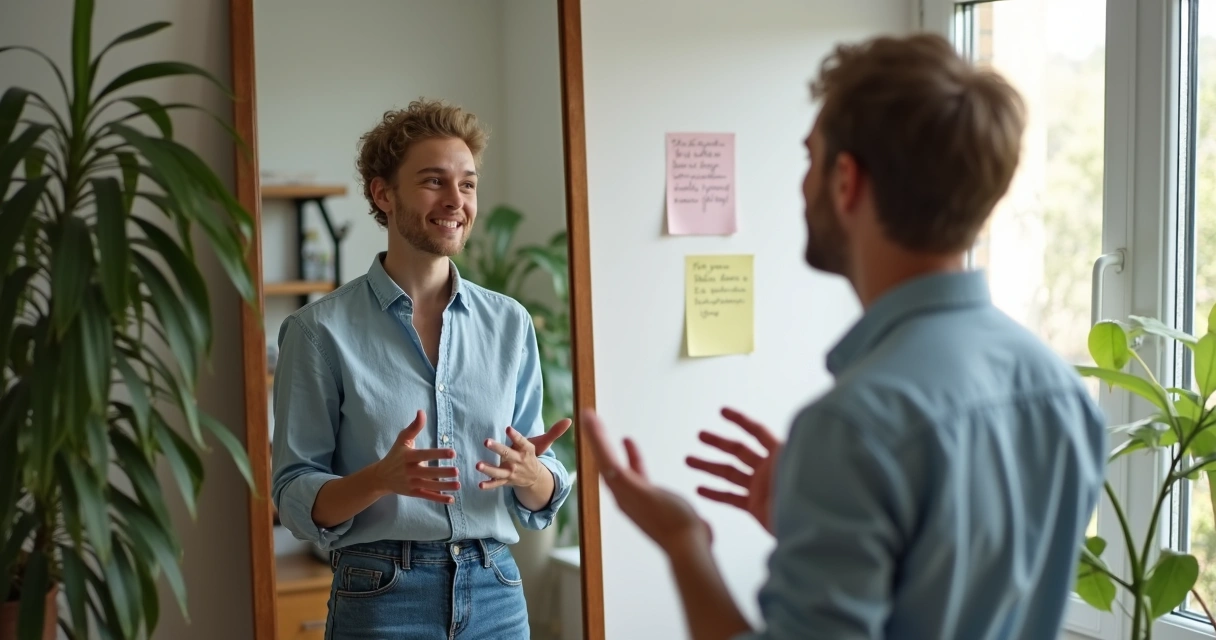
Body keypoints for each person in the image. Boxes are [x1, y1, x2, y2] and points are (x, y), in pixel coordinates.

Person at [581, 33, 1108, 640]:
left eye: (811, 158)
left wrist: (684, 543)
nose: (802, 184)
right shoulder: (1062, 393)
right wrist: (827, 518)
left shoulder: (854, 426)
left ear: (845, 181)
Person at [270, 98, 572, 640]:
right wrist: (378, 480)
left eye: (469, 184)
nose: (456, 201)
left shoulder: (510, 323)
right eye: (434, 181)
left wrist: (537, 477)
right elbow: (294, 492)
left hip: (496, 588)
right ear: (383, 194)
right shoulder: (319, 331)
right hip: (381, 595)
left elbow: (536, 476)